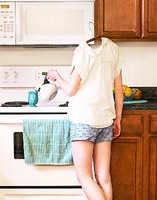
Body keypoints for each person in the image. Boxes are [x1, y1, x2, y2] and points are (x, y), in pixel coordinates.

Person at [47, 37, 124, 200]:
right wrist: (118, 119)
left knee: (84, 176)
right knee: (103, 177)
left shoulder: (83, 51)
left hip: (84, 119)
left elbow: (70, 90)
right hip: (106, 119)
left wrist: (56, 76)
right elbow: (119, 90)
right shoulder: (113, 49)